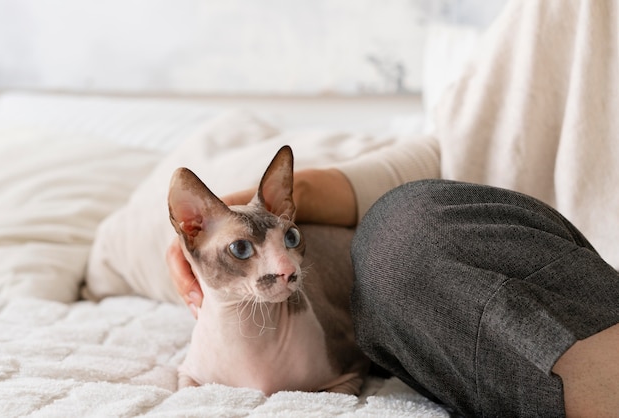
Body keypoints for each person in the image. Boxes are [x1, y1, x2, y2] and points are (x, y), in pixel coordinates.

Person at [167, 0, 619, 416]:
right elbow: (453, 152)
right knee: (400, 234)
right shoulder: (565, 11)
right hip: (544, 281)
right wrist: (256, 206)